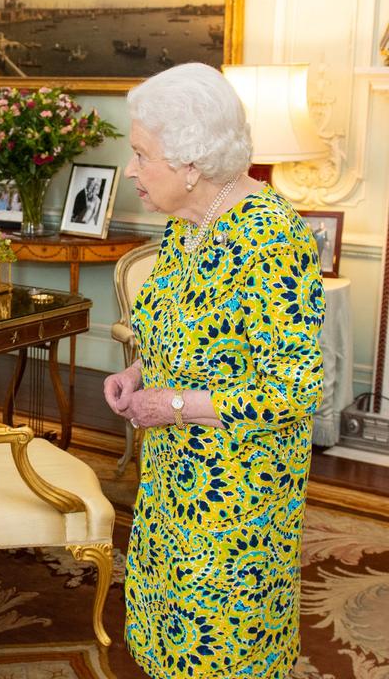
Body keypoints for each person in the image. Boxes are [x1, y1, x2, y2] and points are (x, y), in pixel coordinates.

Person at [103, 63, 324, 679]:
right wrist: (144, 374)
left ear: (191, 164)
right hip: (178, 469)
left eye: (142, 155)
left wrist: (172, 406)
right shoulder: (188, 226)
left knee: (223, 638)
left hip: (238, 485)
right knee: (171, 625)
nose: (131, 170)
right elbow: (193, 333)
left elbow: (293, 387)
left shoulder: (271, 241)